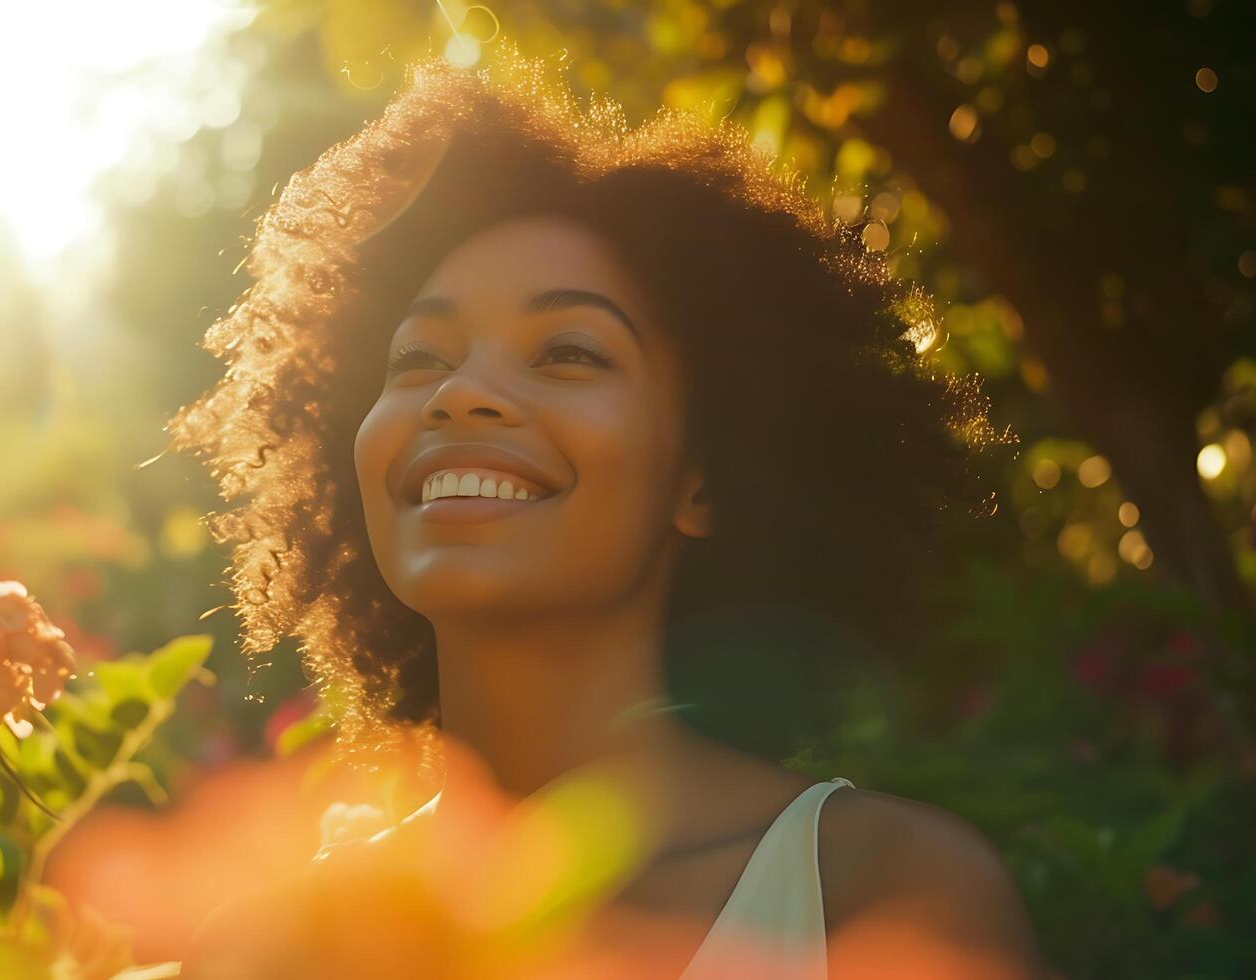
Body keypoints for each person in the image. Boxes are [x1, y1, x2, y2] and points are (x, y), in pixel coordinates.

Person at [168, 41, 1042, 979]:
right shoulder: (275, 947)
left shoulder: (882, 890)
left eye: (567, 354)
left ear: (700, 480)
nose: (459, 395)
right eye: (418, 358)